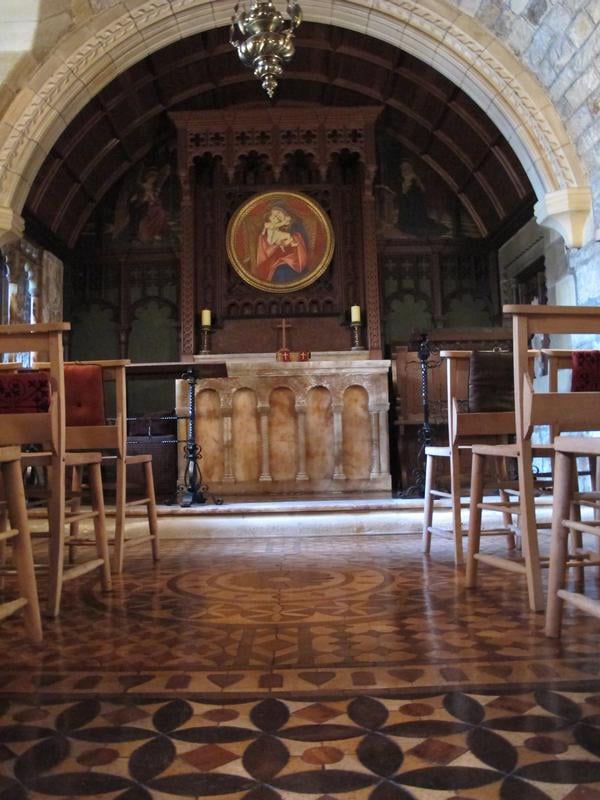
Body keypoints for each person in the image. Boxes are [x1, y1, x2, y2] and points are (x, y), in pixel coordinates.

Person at [255, 205, 308, 283]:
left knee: (286, 269)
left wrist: (291, 242)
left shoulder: (287, 232)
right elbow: (273, 227)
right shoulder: (267, 226)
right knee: (282, 271)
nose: (276, 217)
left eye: (278, 215)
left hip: (287, 259)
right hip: (270, 259)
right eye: (274, 215)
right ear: (269, 218)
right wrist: (284, 222)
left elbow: (292, 247)